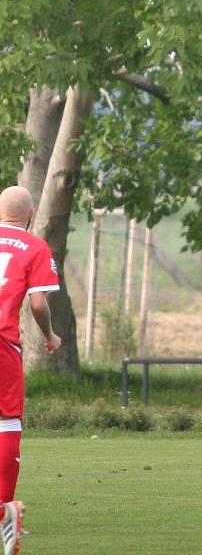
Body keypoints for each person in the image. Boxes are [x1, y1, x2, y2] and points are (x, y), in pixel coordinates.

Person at [0, 186, 61, 555]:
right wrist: (50, 336)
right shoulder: (34, 246)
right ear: (32, 212)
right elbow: (38, 303)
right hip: (3, 342)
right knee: (7, 421)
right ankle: (6, 507)